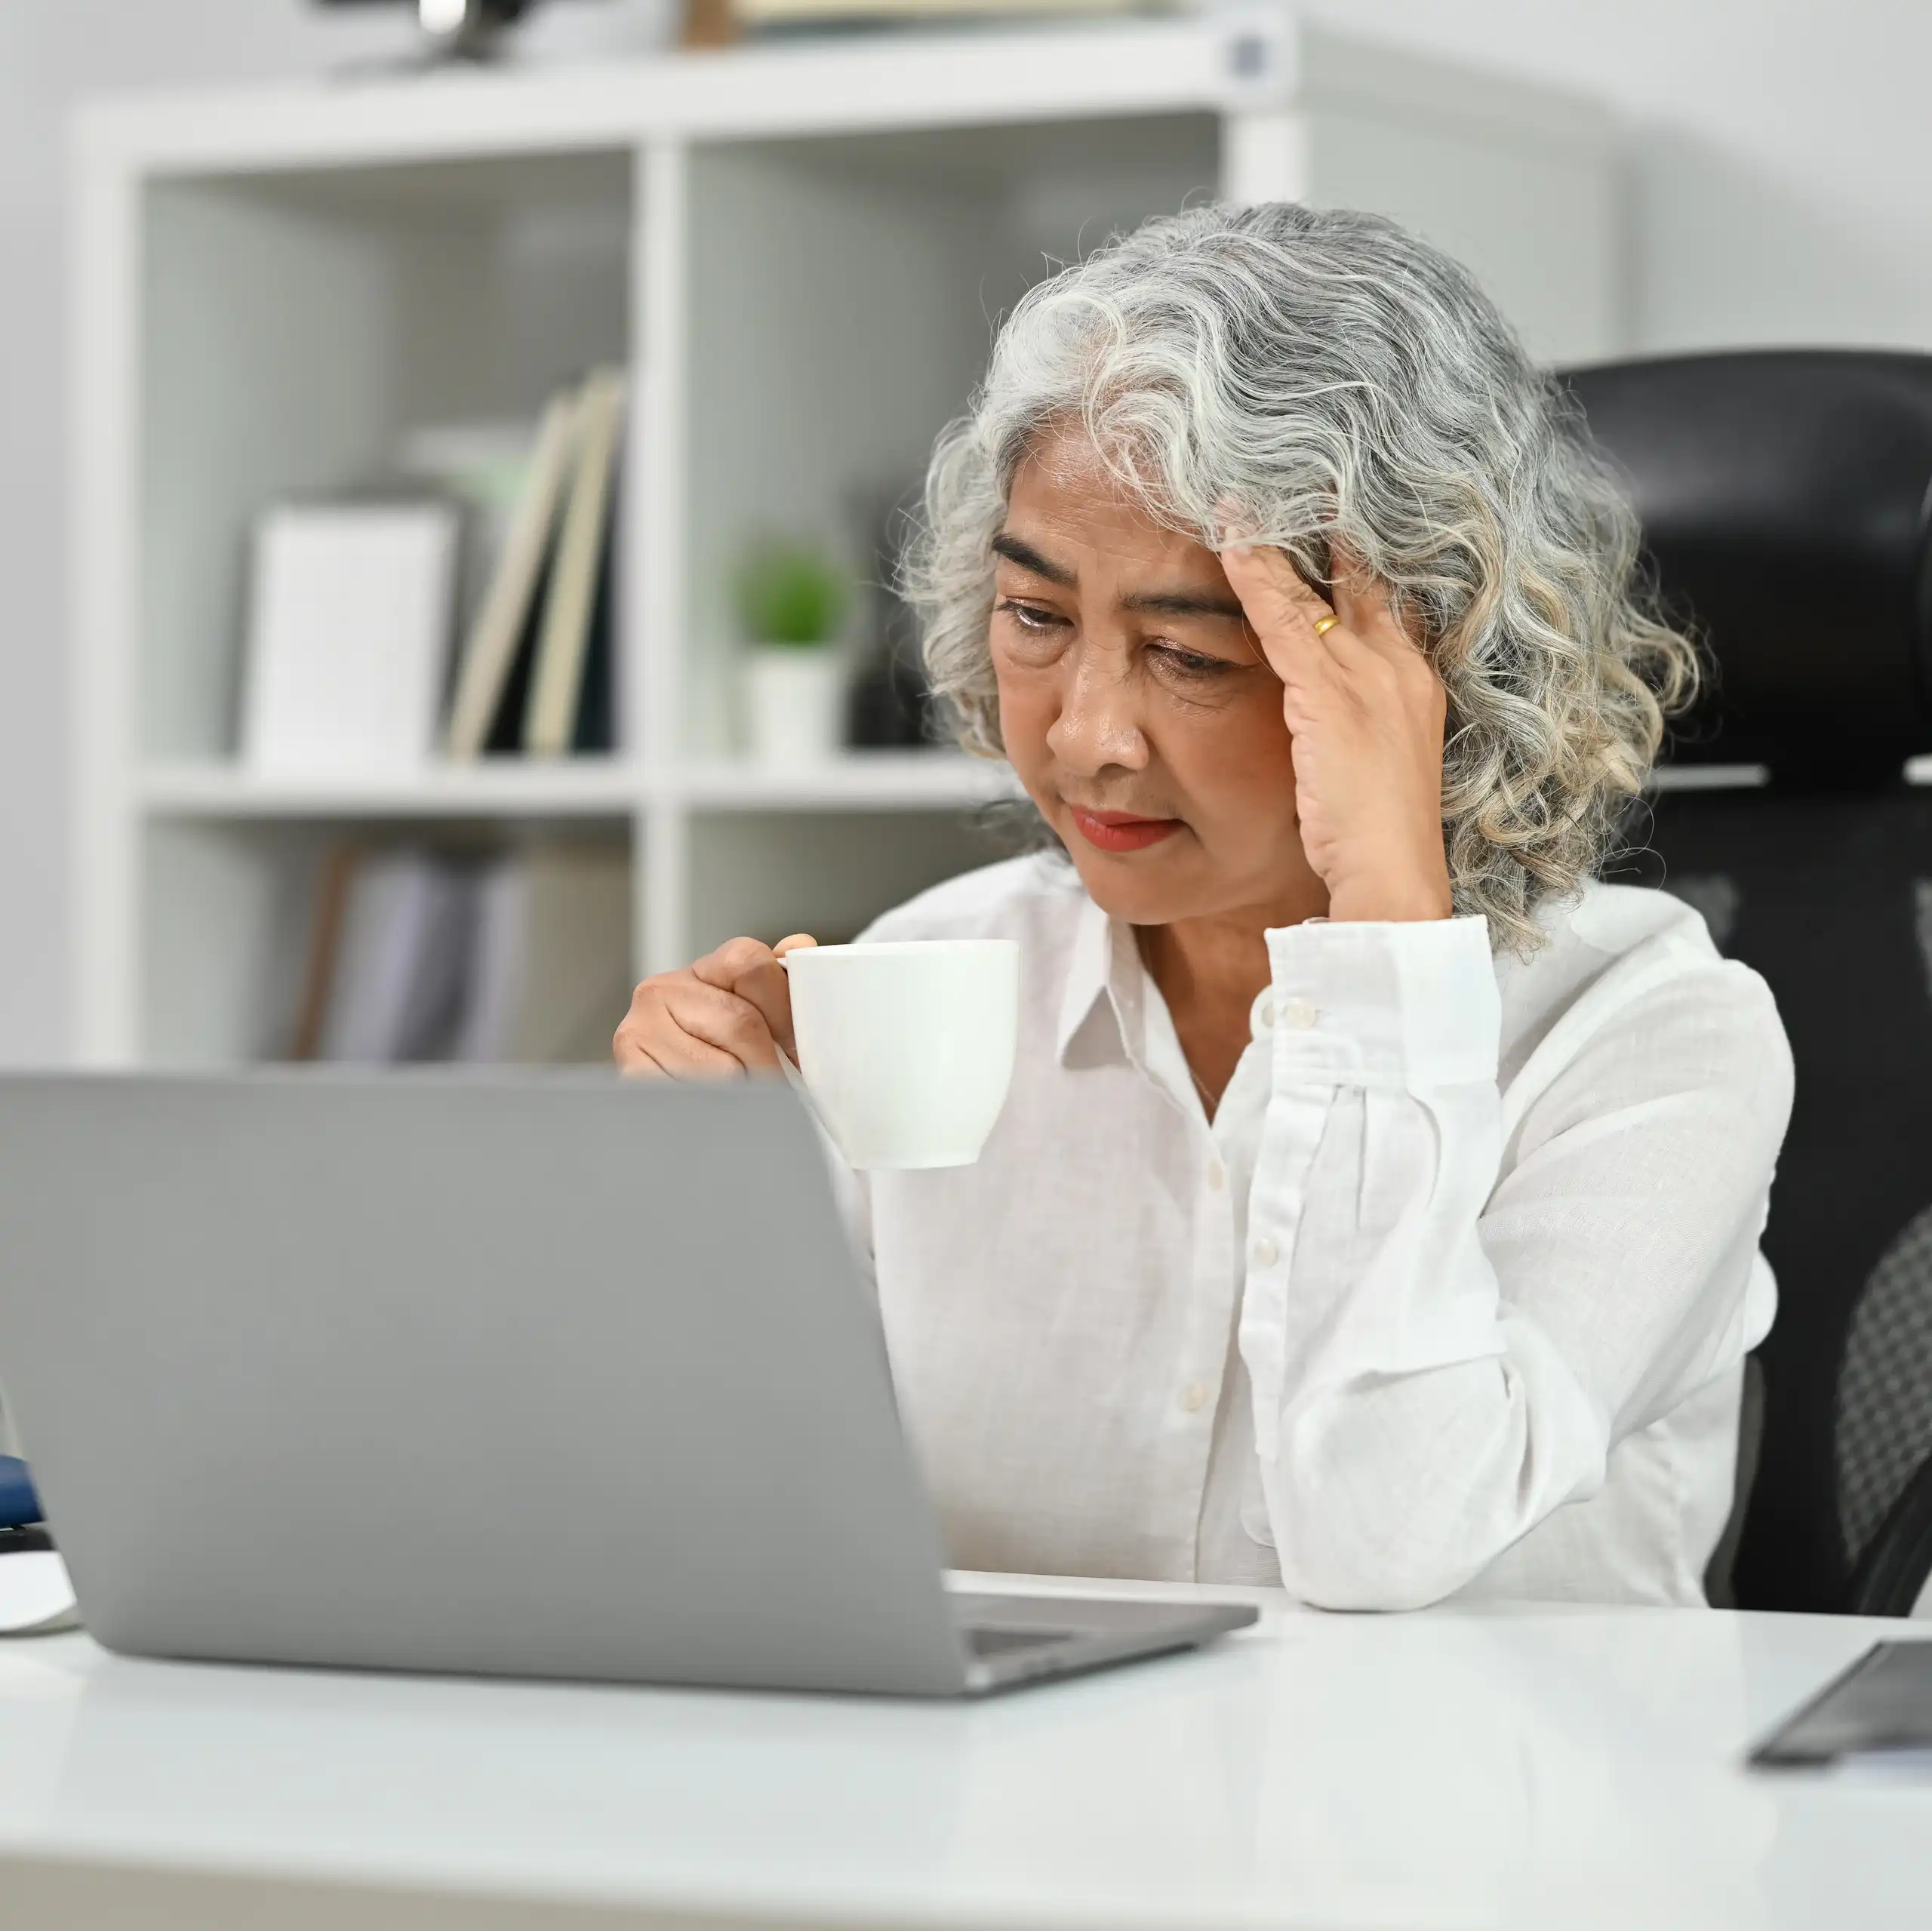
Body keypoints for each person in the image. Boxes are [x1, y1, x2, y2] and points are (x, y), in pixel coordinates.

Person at [614, 204, 1792, 1610]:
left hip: (1489, 1819)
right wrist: (702, 1203)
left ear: (1422, 672)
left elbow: (1386, 1540)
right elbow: (752, 1551)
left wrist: (1387, 932)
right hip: (1019, 1820)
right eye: (1037, 619)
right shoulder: (926, 977)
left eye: (1187, 652)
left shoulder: (1654, 1036)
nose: (1088, 735)